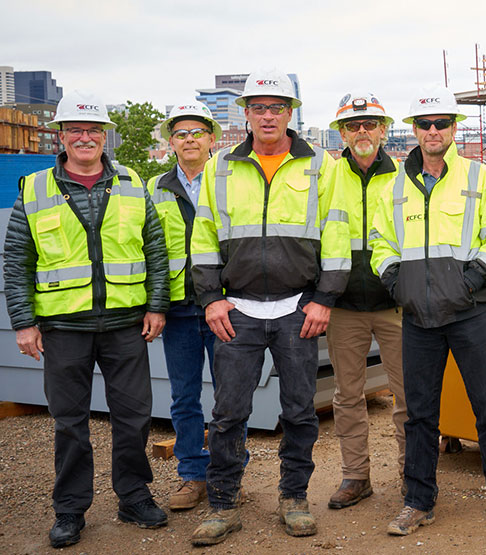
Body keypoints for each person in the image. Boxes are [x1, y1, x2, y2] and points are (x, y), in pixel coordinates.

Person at [188, 70, 351, 545]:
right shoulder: (221, 167)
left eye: (277, 107)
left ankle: (294, 497)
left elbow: (338, 237)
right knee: (227, 412)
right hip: (236, 309)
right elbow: (202, 239)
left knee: (300, 411)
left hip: (297, 309)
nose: (267, 115)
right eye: (258, 107)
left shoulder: (321, 166)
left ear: (290, 113)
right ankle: (222, 503)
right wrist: (211, 299)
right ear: (245, 114)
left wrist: (324, 299)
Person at [3, 91, 170, 548]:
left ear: (104, 137)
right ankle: (71, 510)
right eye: (75, 129)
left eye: (93, 130)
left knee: (134, 418)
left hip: (125, 323)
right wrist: (23, 321)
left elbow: (155, 248)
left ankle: (133, 496)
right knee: (69, 423)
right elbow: (18, 260)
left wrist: (157, 305)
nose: (85, 137)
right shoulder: (35, 188)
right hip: (62, 328)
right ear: (61, 135)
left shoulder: (132, 182)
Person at [370, 85, 486, 536]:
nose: (433, 130)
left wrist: (471, 280)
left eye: (442, 122)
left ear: (454, 128)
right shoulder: (396, 187)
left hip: (469, 314)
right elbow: (381, 243)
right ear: (414, 130)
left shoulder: (481, 179)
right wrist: (395, 282)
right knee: (419, 413)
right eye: (424, 124)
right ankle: (418, 501)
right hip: (418, 320)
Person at [321, 92, 408, 510]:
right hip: (344, 306)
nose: (362, 132)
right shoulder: (327, 176)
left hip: (396, 306)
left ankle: (414, 475)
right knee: (348, 395)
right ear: (342, 132)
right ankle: (356, 476)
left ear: (384, 129)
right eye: (353, 126)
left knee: (410, 396)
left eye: (370, 124)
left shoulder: (406, 177)